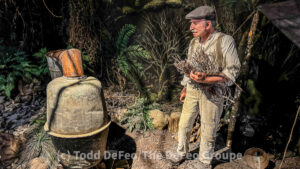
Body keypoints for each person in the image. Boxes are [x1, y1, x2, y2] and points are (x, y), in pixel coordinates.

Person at [170, 6, 241, 168]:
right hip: (193, 89)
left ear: (208, 24)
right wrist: (185, 87)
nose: (191, 28)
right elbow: (188, 67)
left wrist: (208, 79)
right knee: (184, 123)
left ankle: (204, 161)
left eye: (195, 23)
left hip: (214, 91)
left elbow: (232, 70)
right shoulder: (194, 43)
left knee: (209, 127)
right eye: (191, 24)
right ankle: (181, 152)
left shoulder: (225, 41)